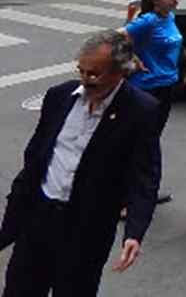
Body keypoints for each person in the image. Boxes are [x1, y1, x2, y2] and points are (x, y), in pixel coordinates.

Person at [0, 30, 160, 295]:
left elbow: (145, 176)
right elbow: (36, 157)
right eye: (81, 71)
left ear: (120, 72)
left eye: (94, 74)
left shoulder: (141, 110)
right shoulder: (59, 96)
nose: (85, 80)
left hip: (86, 230)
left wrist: (134, 232)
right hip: (38, 217)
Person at [124, 0, 182, 201]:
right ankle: (129, 196)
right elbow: (117, 38)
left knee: (151, 140)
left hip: (166, 86)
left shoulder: (169, 17)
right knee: (142, 142)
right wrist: (133, 57)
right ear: (155, 0)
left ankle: (147, 190)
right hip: (146, 88)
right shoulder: (148, 21)